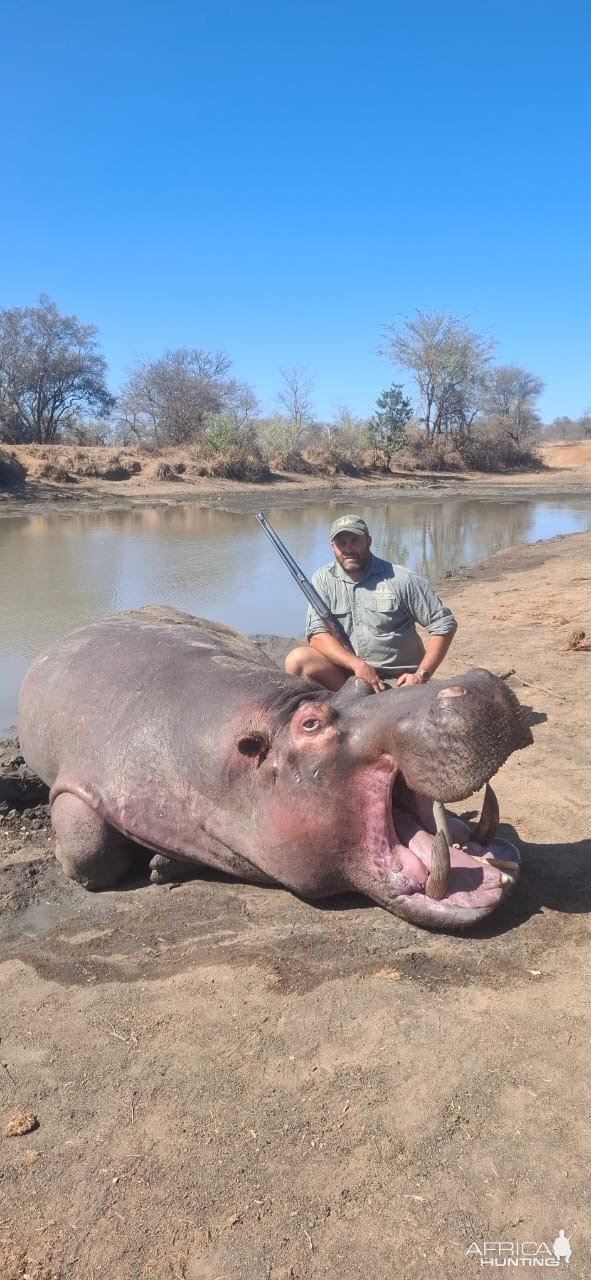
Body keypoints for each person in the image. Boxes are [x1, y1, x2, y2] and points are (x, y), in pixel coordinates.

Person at [284, 514, 457, 693]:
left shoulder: (402, 579)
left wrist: (421, 674)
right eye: (341, 543)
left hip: (398, 681)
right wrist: (358, 666)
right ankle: (350, 704)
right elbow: (318, 636)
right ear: (332, 547)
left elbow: (444, 625)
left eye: (354, 541)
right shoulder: (323, 579)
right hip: (350, 676)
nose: (348, 548)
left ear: (368, 541)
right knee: (297, 660)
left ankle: (360, 705)